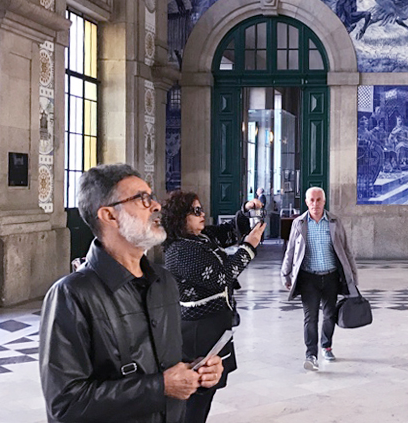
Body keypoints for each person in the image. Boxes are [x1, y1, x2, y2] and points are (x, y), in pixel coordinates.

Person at [39, 164, 223, 423]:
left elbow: (163, 362)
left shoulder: (164, 282)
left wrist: (195, 370)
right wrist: (160, 387)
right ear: (109, 215)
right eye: (142, 199)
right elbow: (65, 404)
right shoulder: (72, 295)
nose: (157, 206)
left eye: (152, 196)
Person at [160, 192, 266, 423]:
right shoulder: (179, 250)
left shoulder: (199, 237)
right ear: (180, 217)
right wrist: (249, 246)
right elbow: (222, 276)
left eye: (201, 209)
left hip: (214, 327)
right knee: (196, 396)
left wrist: (246, 210)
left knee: (207, 392)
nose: (202, 214)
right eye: (196, 211)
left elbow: (228, 232)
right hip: (198, 333)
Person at [281, 187, 360, 371]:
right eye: (312, 200)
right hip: (309, 278)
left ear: (324, 202)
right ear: (307, 202)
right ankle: (311, 354)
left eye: (318, 200)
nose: (315, 204)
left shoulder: (334, 222)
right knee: (310, 318)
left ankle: (326, 346)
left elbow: (346, 250)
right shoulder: (299, 223)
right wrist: (285, 274)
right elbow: (291, 250)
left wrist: (353, 276)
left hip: (331, 276)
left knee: (329, 315)